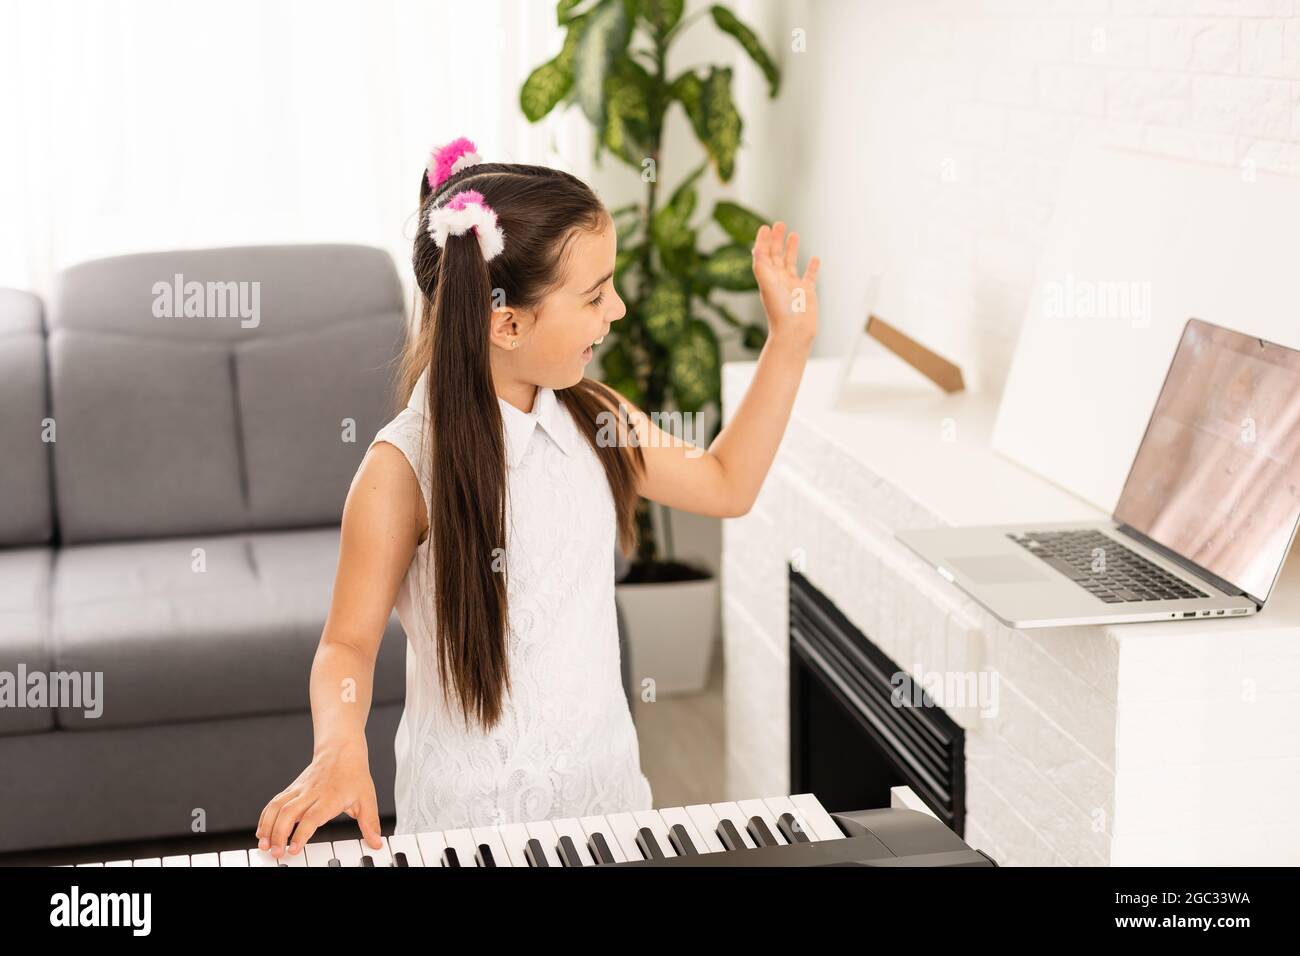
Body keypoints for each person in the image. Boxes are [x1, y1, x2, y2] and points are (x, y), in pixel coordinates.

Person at [256, 136, 820, 858]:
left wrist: (791, 339)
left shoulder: (593, 416)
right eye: (594, 295)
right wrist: (338, 744)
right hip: (470, 833)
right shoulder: (401, 471)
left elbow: (724, 484)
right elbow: (347, 643)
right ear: (507, 322)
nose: (615, 309)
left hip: (609, 812)